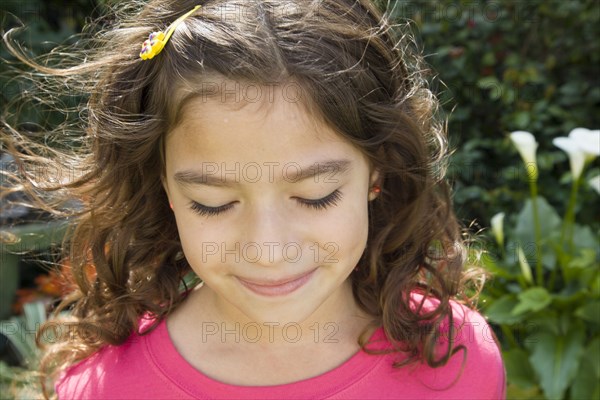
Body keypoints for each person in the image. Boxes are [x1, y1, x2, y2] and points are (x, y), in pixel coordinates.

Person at [1, 0, 505, 398]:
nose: (268, 249)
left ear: (379, 170)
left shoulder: (457, 359)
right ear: (164, 187)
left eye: (315, 196)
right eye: (212, 203)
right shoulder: (103, 389)